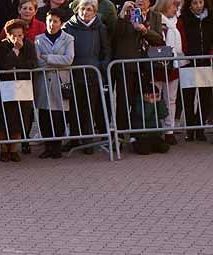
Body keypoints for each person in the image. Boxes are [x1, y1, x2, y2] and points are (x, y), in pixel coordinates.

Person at [0, 19, 37, 162]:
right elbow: (2, 65)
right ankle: (3, 148)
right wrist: (14, 51)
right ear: (8, 35)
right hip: (2, 87)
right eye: (14, 36)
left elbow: (32, 64)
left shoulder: (29, 45)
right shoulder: (1, 47)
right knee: (1, 120)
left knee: (19, 119)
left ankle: (14, 149)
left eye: (20, 35)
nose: (17, 39)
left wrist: (18, 61)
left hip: (22, 87)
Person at [62, 0, 110, 152]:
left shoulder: (100, 28)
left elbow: (106, 50)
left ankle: (88, 141)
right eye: (83, 9)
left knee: (90, 108)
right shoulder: (69, 27)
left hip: (93, 73)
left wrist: (102, 65)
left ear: (94, 12)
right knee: (74, 108)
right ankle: (74, 139)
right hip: (74, 72)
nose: (86, 12)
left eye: (89, 10)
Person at [110, 0, 163, 132]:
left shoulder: (155, 16)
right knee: (123, 101)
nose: (140, 1)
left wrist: (145, 31)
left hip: (145, 65)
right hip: (126, 65)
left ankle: (138, 133)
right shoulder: (124, 14)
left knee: (141, 100)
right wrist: (122, 14)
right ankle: (120, 134)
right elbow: (114, 35)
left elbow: (159, 39)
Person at [34, 9, 75, 158]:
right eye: (49, 20)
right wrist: (57, 60)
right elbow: (38, 62)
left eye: (55, 21)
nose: (52, 24)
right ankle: (47, 146)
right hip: (44, 81)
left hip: (61, 81)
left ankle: (57, 146)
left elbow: (69, 60)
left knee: (59, 114)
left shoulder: (68, 39)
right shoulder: (38, 39)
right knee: (45, 115)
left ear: (61, 23)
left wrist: (49, 58)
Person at [179, 0, 213, 141]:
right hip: (189, 61)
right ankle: (190, 128)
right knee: (188, 97)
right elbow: (182, 39)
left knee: (205, 97)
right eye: (195, 3)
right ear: (190, 5)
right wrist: (187, 54)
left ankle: (200, 128)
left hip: (205, 61)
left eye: (200, 2)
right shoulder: (184, 18)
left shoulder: (210, 18)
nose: (198, 6)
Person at [152, 0, 184, 144]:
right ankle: (156, 129)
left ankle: (169, 130)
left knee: (171, 99)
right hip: (158, 65)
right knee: (156, 98)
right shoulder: (156, 20)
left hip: (174, 65)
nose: (175, 8)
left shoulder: (178, 22)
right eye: (173, 5)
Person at [130, 81, 171, 152]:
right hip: (142, 134)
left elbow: (163, 114)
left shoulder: (157, 102)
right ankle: (134, 142)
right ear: (145, 96)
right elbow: (146, 116)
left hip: (154, 134)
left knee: (165, 147)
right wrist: (149, 103)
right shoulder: (139, 103)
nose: (155, 99)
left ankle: (152, 146)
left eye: (157, 96)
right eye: (152, 96)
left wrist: (160, 101)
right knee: (145, 150)